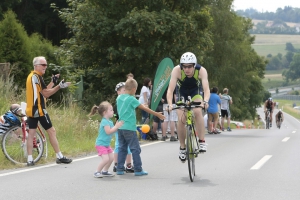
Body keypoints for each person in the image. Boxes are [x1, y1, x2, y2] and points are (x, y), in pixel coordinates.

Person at [25, 56, 72, 166]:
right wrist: (59, 86)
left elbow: (42, 91)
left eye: (46, 65)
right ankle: (59, 156)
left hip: (31, 110)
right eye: (43, 65)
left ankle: (30, 159)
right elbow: (46, 94)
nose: (45, 67)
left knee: (31, 134)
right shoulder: (38, 76)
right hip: (40, 110)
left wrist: (53, 82)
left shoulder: (31, 76)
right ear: (36, 66)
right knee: (52, 131)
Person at [166, 52, 210, 163]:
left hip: (196, 91)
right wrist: (170, 104)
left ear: (194, 65)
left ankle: (202, 141)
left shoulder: (201, 70)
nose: (186, 69)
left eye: (189, 66)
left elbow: (206, 89)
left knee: (197, 111)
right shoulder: (176, 70)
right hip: (182, 93)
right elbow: (170, 90)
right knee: (181, 119)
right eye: (184, 66)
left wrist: (205, 101)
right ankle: (182, 147)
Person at [116, 78, 165, 176]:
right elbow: (145, 109)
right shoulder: (132, 99)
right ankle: (138, 169)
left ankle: (120, 169)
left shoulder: (119, 98)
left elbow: (131, 105)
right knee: (135, 149)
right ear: (134, 89)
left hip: (120, 127)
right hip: (129, 128)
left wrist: (141, 104)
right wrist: (158, 114)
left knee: (122, 148)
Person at [89, 101, 124, 178]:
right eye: (111, 110)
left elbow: (113, 130)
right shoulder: (104, 122)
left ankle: (105, 171)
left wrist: (118, 127)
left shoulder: (110, 121)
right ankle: (97, 171)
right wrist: (116, 127)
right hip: (101, 144)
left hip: (106, 144)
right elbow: (108, 132)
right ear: (105, 112)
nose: (113, 111)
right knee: (106, 159)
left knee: (111, 158)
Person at [113, 82, 134, 173]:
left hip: (128, 126)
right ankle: (116, 164)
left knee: (128, 146)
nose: (125, 92)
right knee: (118, 145)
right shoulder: (118, 103)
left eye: (126, 90)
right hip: (120, 127)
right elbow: (116, 116)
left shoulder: (128, 101)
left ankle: (128, 165)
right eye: (123, 90)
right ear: (118, 92)